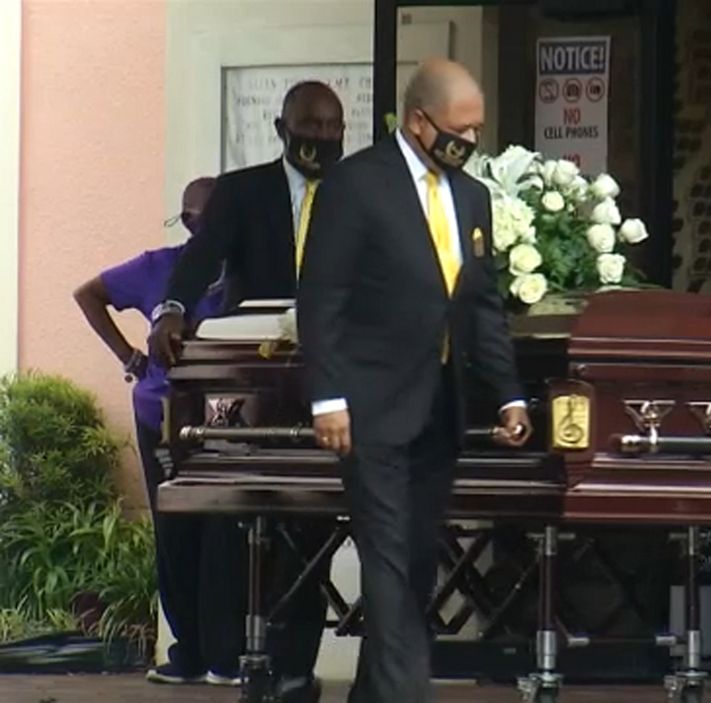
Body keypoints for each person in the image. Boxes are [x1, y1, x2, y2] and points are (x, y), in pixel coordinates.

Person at [297, 58, 532, 703]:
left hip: (440, 405)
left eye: (477, 130)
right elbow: (321, 298)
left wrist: (509, 394)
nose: (470, 141)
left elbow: (481, 307)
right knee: (387, 556)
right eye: (460, 129)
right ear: (419, 121)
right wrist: (328, 397)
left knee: (418, 559)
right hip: (369, 405)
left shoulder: (472, 196)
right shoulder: (356, 185)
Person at [148, 80, 348, 703]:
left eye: (332, 128)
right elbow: (201, 257)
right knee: (251, 519)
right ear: (282, 129)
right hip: (260, 377)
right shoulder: (242, 191)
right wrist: (171, 310)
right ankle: (241, 653)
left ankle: (296, 668)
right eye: (309, 126)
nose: (320, 138)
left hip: (336, 378)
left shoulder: (358, 189)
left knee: (314, 521)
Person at [73, 177, 244, 686]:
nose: (212, 228)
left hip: (230, 418)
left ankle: (226, 657)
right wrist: (129, 357)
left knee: (226, 532)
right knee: (175, 532)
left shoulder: (247, 270)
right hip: (163, 419)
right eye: (202, 219)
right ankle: (188, 655)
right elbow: (89, 294)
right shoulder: (157, 267)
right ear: (187, 222)